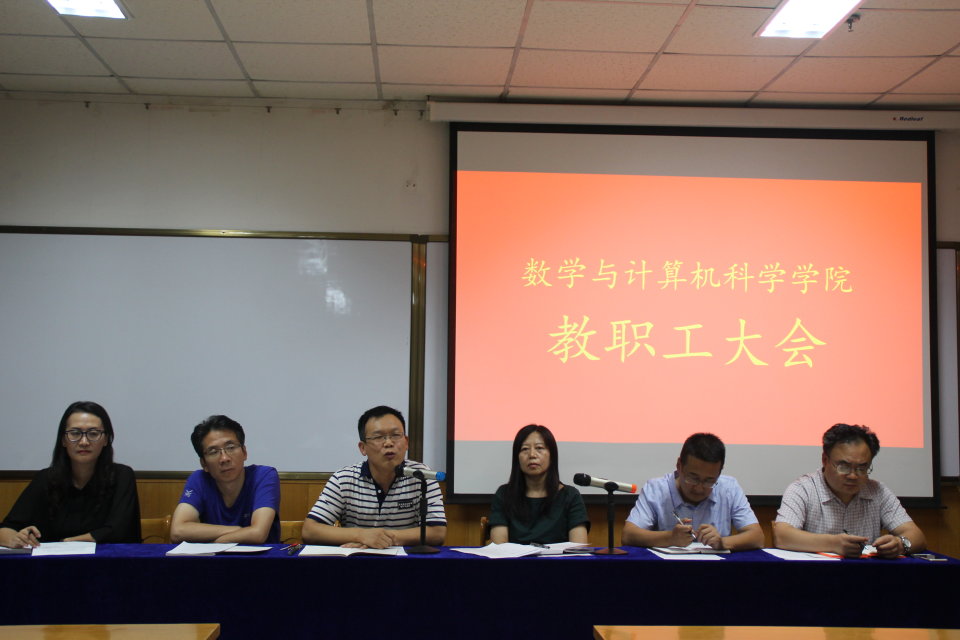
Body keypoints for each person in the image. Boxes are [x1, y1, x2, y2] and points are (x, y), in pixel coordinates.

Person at [0, 401, 141, 548]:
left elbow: (118, 531)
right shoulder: (45, 479)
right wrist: (17, 539)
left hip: (106, 560)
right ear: (63, 440)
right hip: (53, 562)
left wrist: (66, 543)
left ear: (106, 439)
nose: (84, 442)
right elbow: (6, 528)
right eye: (75, 433)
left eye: (93, 434)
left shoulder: (122, 476)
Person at [773, 423, 926, 558]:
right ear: (825, 460)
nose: (853, 476)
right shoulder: (803, 489)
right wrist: (833, 544)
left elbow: (917, 535)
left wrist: (900, 544)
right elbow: (782, 535)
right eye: (844, 466)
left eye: (861, 468)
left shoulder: (878, 491)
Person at [302, 405, 446, 548]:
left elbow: (437, 532)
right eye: (378, 437)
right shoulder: (344, 479)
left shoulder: (421, 475)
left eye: (396, 435)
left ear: (406, 442)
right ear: (363, 447)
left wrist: (383, 538)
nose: (389, 443)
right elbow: (310, 530)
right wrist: (361, 535)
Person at [622, 432, 763, 551]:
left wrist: (722, 542)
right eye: (693, 478)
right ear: (679, 466)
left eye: (709, 481)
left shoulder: (729, 488)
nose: (699, 488)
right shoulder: (656, 489)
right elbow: (628, 535)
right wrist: (670, 538)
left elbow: (757, 537)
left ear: (719, 473)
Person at [171, 415, 280, 544]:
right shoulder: (199, 480)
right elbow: (178, 531)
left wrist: (216, 543)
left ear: (244, 452)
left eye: (231, 447)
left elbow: (257, 533)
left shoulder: (263, 476)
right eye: (213, 452)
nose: (224, 458)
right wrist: (237, 530)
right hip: (213, 557)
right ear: (204, 464)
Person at [489, 424, 589, 545]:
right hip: (514, 558)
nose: (532, 455)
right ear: (517, 458)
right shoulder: (504, 495)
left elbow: (578, 547)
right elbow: (499, 546)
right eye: (525, 449)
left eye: (539, 448)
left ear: (552, 456)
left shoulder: (570, 496)